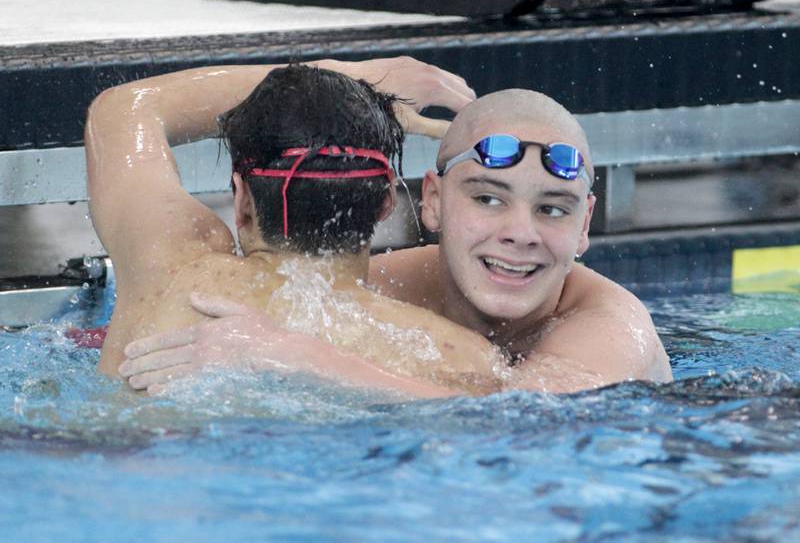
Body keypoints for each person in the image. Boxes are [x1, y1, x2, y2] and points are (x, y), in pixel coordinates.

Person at [121, 85, 673, 394]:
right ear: (430, 201)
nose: (520, 234)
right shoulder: (394, 284)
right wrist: (356, 86)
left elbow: (521, 419)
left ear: (584, 226)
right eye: (487, 198)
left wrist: (300, 356)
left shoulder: (610, 325)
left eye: (553, 209)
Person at [86, 57, 509, 397]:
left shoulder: (169, 267)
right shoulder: (459, 359)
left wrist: (352, 72)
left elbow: (123, 109)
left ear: (243, 200)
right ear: (385, 203)